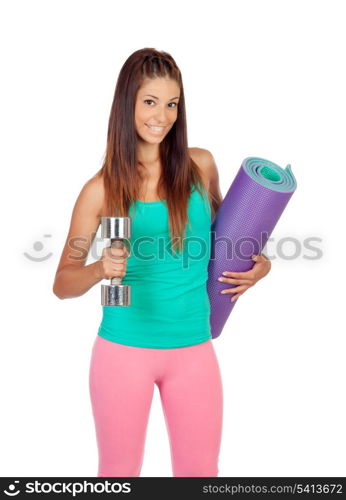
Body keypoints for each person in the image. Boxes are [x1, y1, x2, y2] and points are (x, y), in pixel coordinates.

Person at [52, 48, 271, 477]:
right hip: (122, 351)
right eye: (150, 102)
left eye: (172, 103)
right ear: (127, 104)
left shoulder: (200, 166)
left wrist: (260, 266)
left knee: (200, 474)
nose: (163, 116)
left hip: (194, 349)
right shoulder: (100, 190)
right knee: (118, 473)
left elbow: (231, 241)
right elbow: (62, 283)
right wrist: (99, 268)